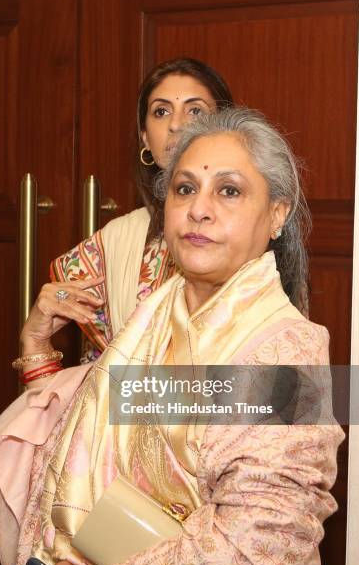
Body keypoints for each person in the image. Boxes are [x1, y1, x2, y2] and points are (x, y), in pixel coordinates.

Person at [0, 107, 344, 565]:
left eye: (229, 190)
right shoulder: (158, 313)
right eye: (184, 188)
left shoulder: (287, 351)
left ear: (277, 214)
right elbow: (90, 443)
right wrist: (35, 351)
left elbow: (259, 555)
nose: (200, 208)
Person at [48, 57, 234, 361]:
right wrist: (37, 338)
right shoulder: (117, 241)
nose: (176, 124)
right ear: (145, 137)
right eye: (161, 111)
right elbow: (96, 376)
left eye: (195, 110)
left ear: (226, 127)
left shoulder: (250, 233)